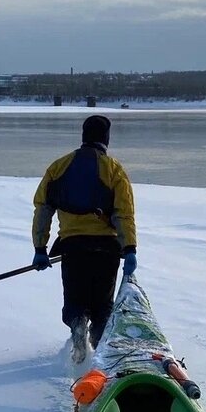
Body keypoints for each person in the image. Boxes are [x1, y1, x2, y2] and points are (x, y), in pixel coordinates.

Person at [31, 114, 137, 357]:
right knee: (102, 305)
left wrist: (40, 249)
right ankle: (98, 347)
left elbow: (43, 209)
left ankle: (78, 324)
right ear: (105, 139)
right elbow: (124, 213)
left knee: (76, 297)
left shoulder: (59, 167)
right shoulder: (114, 170)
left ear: (84, 136)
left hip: (72, 247)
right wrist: (129, 248)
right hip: (106, 248)